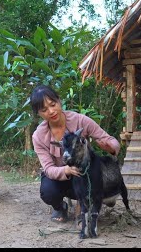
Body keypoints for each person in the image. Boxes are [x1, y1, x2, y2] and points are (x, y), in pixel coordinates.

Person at [30, 85, 120, 223]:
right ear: (39, 113)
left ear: (59, 101)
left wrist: (111, 147)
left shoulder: (80, 120)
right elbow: (48, 168)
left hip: (84, 174)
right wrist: (66, 170)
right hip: (61, 175)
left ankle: (87, 204)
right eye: (44, 110)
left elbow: (110, 140)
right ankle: (60, 207)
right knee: (48, 192)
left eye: (53, 104)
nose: (51, 111)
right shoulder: (38, 136)